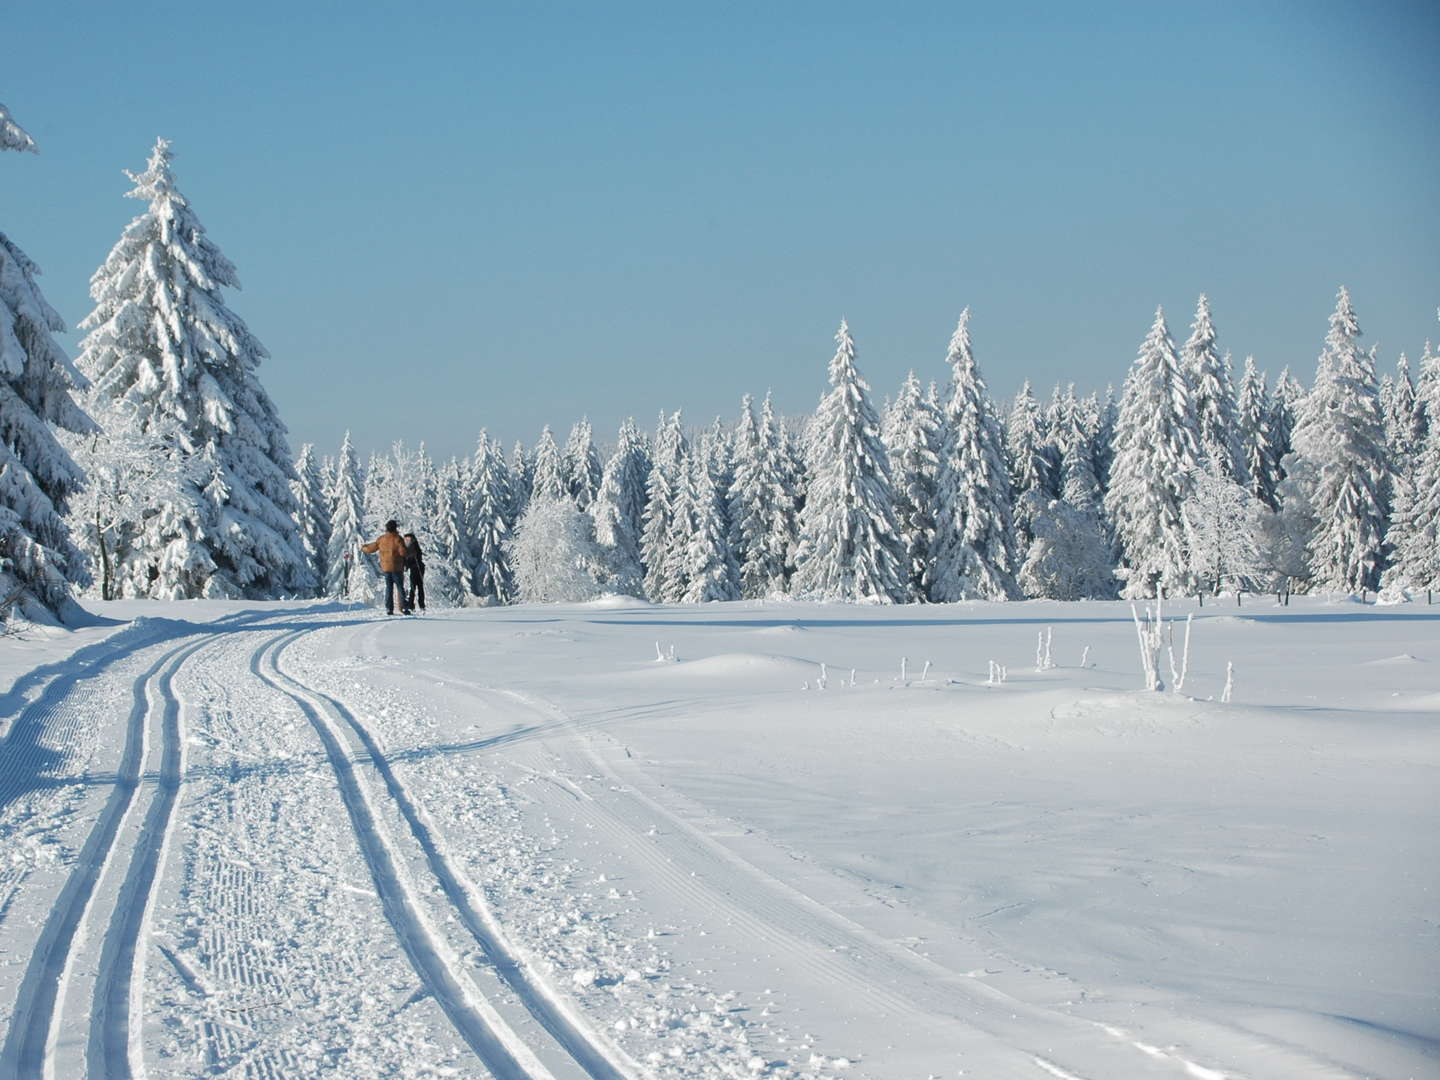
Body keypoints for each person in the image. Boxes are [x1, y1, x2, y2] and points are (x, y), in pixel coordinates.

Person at [362, 519, 411, 615]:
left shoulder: (381, 539)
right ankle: (404, 607)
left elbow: (372, 548)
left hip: (386, 568)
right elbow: (403, 552)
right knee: (400, 587)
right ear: (395, 528)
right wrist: (408, 549)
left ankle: (389, 608)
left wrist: (363, 547)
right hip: (397, 568)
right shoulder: (398, 539)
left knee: (389, 588)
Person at [403, 532, 426, 613]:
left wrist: (406, 564)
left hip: (417, 568)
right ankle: (418, 604)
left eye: (408, 539)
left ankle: (414, 605)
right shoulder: (411, 546)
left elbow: (413, 558)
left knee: (416, 586)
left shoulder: (413, 547)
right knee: (416, 587)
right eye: (406, 539)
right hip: (416, 568)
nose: (406, 540)